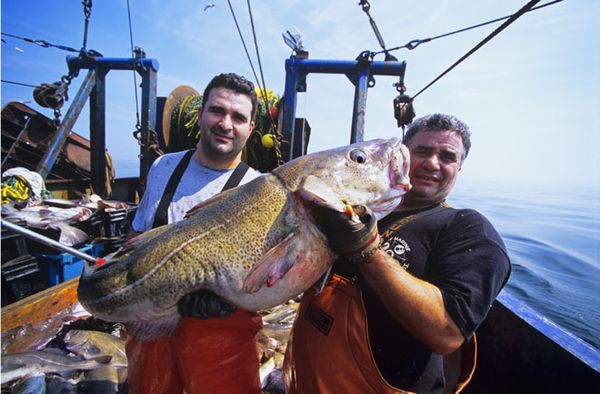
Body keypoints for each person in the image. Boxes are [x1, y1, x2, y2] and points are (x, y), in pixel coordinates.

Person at [283, 113, 511, 393]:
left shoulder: (467, 228)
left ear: (459, 167)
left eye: (448, 157)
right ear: (402, 155)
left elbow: (447, 332)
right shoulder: (366, 209)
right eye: (422, 151)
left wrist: (366, 248)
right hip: (303, 379)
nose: (432, 163)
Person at [125, 73, 264, 394]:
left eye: (238, 117)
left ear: (250, 129)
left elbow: (263, 275)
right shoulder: (163, 167)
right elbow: (135, 236)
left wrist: (225, 298)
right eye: (217, 111)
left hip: (221, 332)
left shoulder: (257, 190)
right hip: (150, 325)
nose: (226, 124)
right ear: (200, 114)